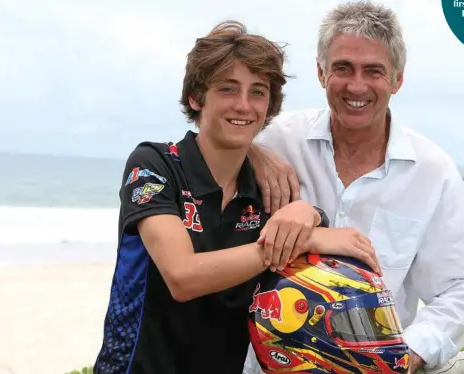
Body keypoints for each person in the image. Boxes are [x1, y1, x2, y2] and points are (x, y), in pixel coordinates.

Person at [92, 21, 379, 374]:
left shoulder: (269, 191)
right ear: (197, 97)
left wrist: (309, 216)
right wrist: (305, 238)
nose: (244, 105)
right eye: (228, 89)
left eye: (257, 92)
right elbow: (182, 277)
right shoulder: (155, 164)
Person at [242, 1, 464, 372]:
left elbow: (458, 290)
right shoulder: (277, 142)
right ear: (321, 73)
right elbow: (203, 151)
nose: (357, 86)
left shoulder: (433, 172)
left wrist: (404, 358)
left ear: (397, 80)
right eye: (343, 68)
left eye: (374, 71)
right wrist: (252, 150)